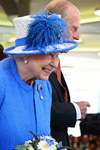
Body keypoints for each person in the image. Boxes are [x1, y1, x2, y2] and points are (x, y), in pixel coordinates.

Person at [0, 11, 78, 150]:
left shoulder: (44, 85)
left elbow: (43, 139)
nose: (55, 64)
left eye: (57, 55)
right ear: (26, 54)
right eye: (49, 54)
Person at [46, 0, 90, 146]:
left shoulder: (55, 62)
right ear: (57, 25)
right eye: (74, 29)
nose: (77, 36)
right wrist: (74, 109)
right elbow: (35, 108)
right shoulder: (37, 62)